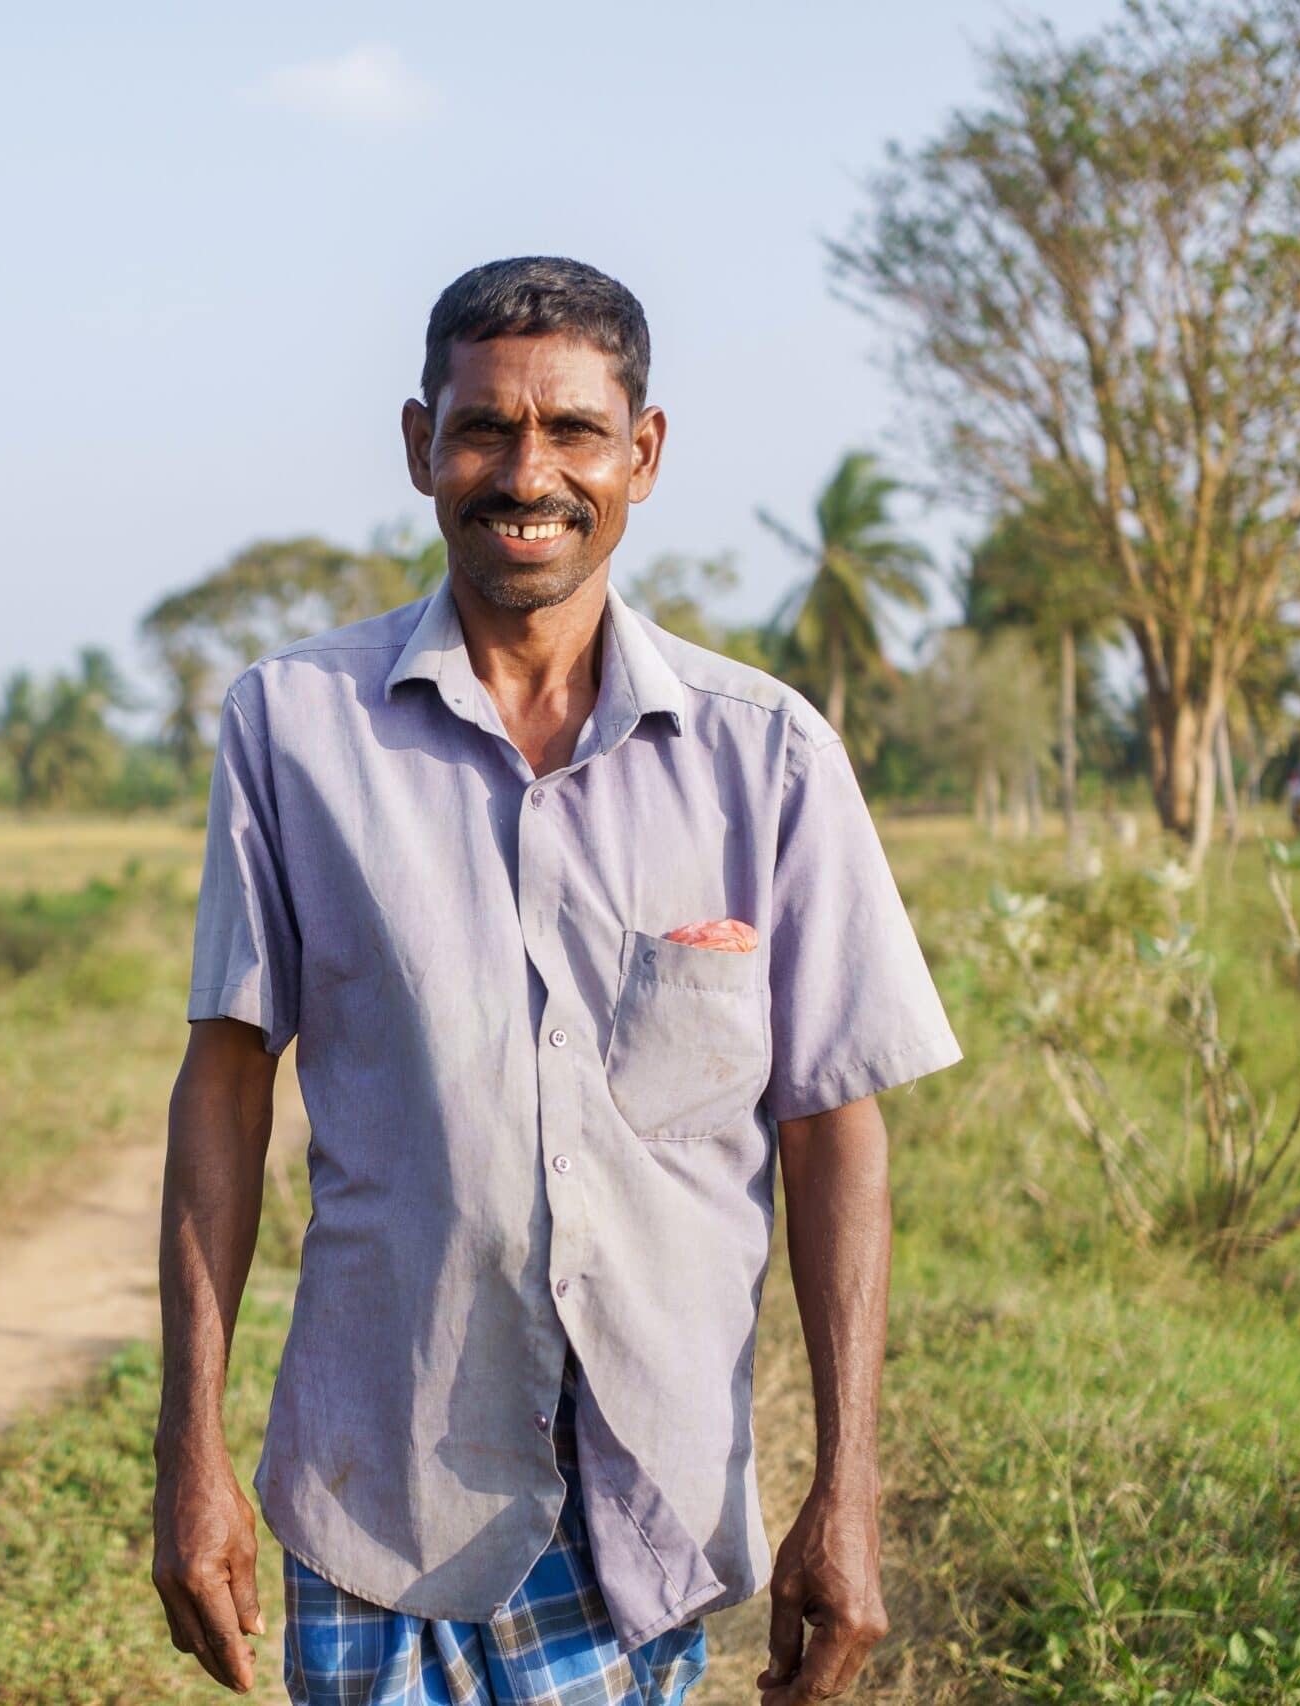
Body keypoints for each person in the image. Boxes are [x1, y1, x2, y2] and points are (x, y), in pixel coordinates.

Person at [150, 256, 961, 1706]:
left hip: (640, 1515)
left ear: (640, 455)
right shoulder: (292, 730)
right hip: (378, 1489)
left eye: (574, 430)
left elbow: (834, 1123)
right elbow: (224, 1082)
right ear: (420, 446)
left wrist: (847, 1488)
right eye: (484, 429)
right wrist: (189, 1453)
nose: (528, 473)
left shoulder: (765, 757)